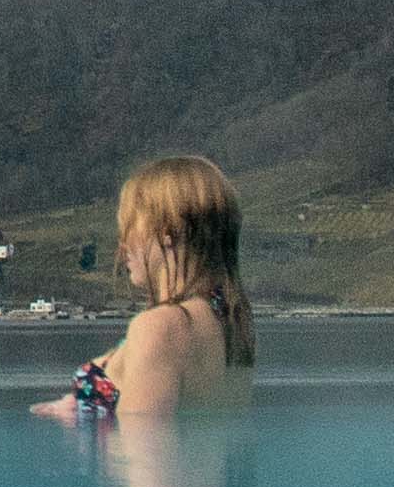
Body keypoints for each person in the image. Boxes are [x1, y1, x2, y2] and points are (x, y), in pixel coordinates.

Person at [35, 154, 256, 419]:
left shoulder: (160, 327)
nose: (123, 244)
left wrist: (84, 419)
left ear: (168, 231)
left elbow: (146, 450)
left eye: (131, 225)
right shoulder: (230, 318)